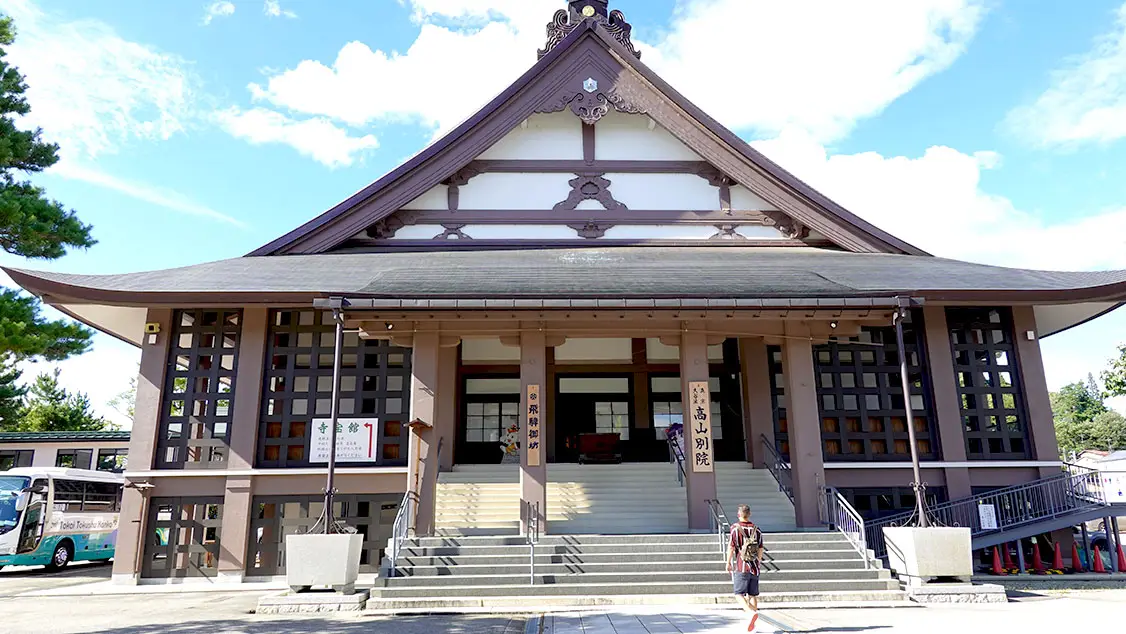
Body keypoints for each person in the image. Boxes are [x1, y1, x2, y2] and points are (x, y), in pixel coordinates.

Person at [726, 504, 764, 632]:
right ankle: (753, 623)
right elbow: (760, 548)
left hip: (742, 566)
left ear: (739, 515)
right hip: (754, 567)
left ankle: (750, 613)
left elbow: (731, 547)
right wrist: (758, 562)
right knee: (753, 595)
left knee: (738, 594)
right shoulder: (757, 529)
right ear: (749, 514)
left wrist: (728, 562)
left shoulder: (735, 529)